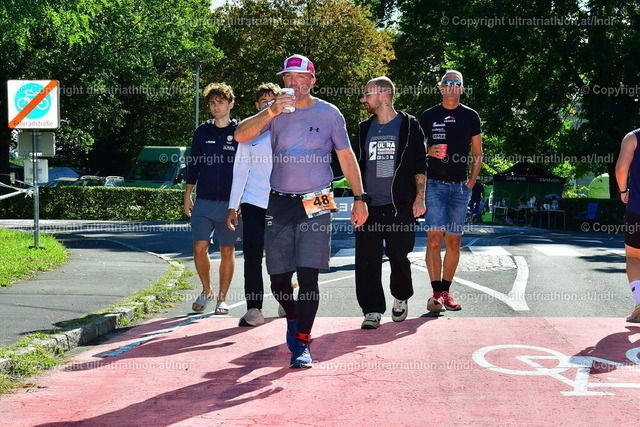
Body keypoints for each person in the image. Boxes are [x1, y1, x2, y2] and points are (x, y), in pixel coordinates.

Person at [234, 54, 368, 368]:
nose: (294, 83)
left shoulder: (330, 113)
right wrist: (270, 110)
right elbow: (240, 135)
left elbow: (346, 156)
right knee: (279, 280)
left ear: (312, 80)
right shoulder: (275, 111)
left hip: (317, 200)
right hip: (280, 202)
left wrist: (360, 198)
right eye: (288, 77)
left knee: (309, 276)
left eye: (300, 77)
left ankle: (303, 343)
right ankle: (293, 317)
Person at [353, 76, 426, 329]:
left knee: (399, 256)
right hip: (368, 206)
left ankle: (401, 296)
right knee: (366, 260)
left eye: (367, 94)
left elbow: (420, 164)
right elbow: (355, 166)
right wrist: (358, 200)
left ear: (383, 95)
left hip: (400, 205)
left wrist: (420, 198)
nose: (363, 99)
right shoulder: (364, 128)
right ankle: (372, 310)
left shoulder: (409, 125)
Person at [419, 70, 483, 313]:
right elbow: (414, 149)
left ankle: (446, 292)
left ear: (462, 89)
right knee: (434, 239)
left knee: (454, 241)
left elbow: (477, 153)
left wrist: (471, 182)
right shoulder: (428, 116)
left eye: (457, 83)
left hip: (460, 187)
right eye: (447, 82)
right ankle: (436, 294)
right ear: (440, 87)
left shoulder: (470, 116)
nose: (452, 86)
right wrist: (427, 151)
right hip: (434, 185)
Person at [227, 83, 281, 327]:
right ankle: (254, 308)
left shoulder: (288, 129)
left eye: (272, 101)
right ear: (257, 105)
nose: (267, 105)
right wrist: (233, 205)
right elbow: (240, 170)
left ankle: (285, 298)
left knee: (281, 255)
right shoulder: (248, 133)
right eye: (263, 101)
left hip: (281, 202)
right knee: (252, 256)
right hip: (253, 202)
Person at [184, 83, 241, 315]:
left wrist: (240, 202)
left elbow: (246, 169)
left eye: (220, 102)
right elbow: (193, 165)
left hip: (230, 204)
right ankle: (206, 290)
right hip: (204, 201)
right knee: (199, 247)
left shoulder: (240, 132)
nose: (216, 107)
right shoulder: (202, 132)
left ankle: (222, 298)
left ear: (231, 104)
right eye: (212, 103)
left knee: (227, 250)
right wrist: (188, 195)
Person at [615, 128, 640, 322]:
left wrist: (623, 191)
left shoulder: (633, 137)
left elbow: (621, 169)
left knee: (634, 257)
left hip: (637, 210)